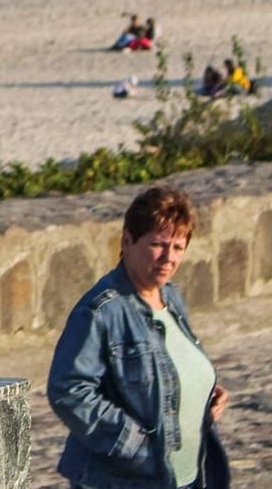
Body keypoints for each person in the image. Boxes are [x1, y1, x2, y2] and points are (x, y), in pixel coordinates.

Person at [48, 185, 229, 489]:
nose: (168, 258)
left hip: (184, 475)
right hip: (123, 481)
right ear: (128, 241)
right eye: (157, 245)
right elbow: (69, 390)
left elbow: (165, 370)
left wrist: (202, 394)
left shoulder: (170, 298)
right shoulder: (101, 310)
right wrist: (134, 445)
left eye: (178, 247)